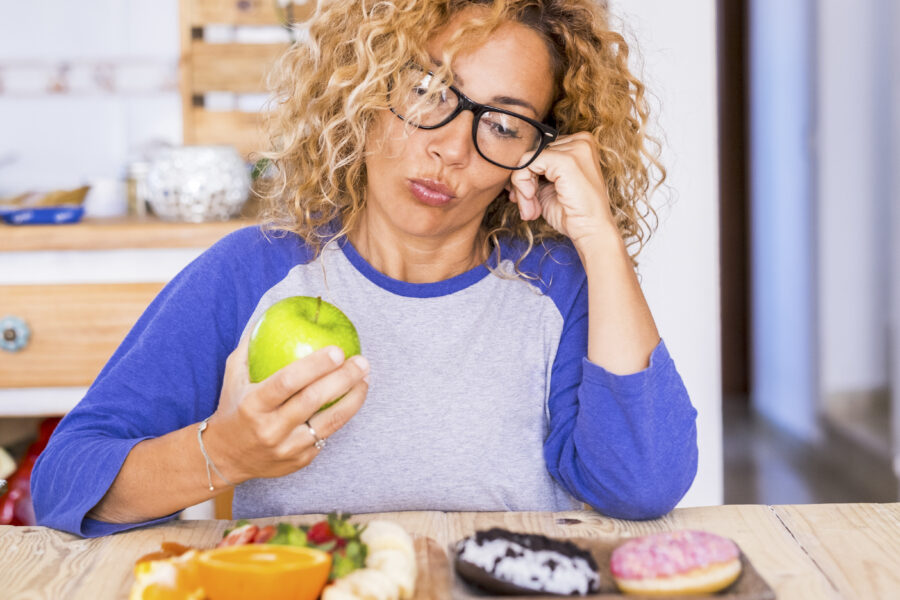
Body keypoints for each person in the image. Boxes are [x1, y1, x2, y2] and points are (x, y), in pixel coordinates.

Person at [33, 0, 698, 538]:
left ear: (539, 153)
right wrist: (227, 453)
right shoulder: (253, 271)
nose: (449, 148)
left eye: (502, 125)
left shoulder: (558, 285)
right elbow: (65, 485)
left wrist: (600, 240)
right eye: (430, 90)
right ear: (367, 84)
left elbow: (641, 487)